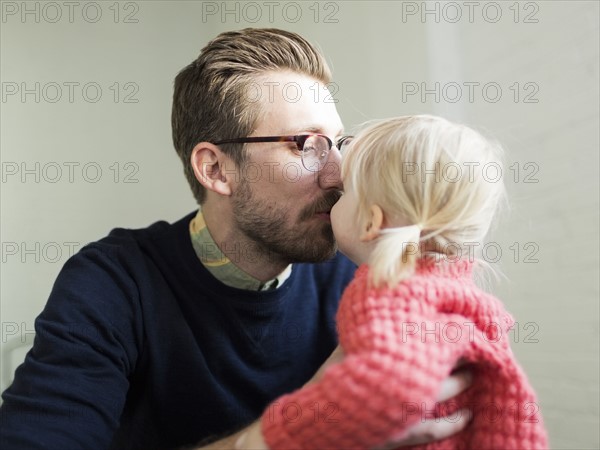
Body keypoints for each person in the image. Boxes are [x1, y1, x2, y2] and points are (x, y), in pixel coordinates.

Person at [0, 30, 471, 450]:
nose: (338, 175)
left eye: (338, 144)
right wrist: (280, 437)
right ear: (216, 169)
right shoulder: (114, 283)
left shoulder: (362, 278)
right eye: (305, 144)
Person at [236, 115, 549, 450]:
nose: (332, 195)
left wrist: (266, 440)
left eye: (345, 193)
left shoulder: (391, 290)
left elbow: (389, 385)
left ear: (372, 222)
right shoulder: (458, 295)